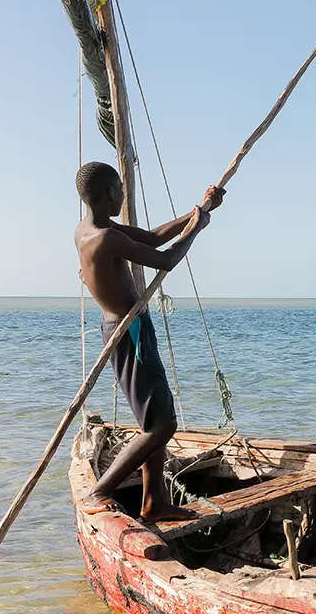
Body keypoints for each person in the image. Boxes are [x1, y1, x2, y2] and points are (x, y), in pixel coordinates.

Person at [74, 160, 225, 521]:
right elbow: (166, 258)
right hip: (129, 334)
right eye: (121, 189)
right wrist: (198, 229)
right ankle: (100, 491)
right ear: (109, 193)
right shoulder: (104, 238)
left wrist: (198, 211)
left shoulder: (91, 227)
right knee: (163, 425)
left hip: (127, 327)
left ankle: (153, 502)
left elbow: (154, 237)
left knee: (154, 420)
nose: (124, 194)